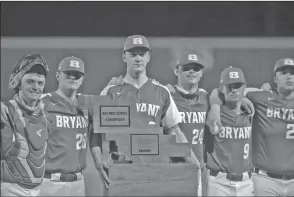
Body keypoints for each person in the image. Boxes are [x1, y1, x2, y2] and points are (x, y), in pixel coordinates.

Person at [2, 56, 110, 196]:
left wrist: (98, 161)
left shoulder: (87, 104)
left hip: (78, 182)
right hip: (50, 182)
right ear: (58, 75)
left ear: (83, 78)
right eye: (68, 73)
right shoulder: (42, 102)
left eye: (77, 74)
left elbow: (97, 126)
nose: (73, 77)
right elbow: (17, 106)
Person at [91, 35, 198, 168]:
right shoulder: (110, 92)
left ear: (148, 57)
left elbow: (174, 131)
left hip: (154, 167)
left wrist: (194, 162)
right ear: (124, 57)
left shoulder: (161, 91)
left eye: (142, 54)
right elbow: (97, 132)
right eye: (133, 54)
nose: (138, 58)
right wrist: (99, 162)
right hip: (122, 167)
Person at [208, 58, 294, 196]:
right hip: (266, 180)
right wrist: (216, 107)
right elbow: (220, 92)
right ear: (275, 78)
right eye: (283, 73)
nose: (289, 76)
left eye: (292, 73)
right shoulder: (261, 97)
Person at [1, 53, 49, 196]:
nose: (36, 87)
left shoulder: (44, 112)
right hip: (10, 189)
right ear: (17, 83)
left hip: (38, 190)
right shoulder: (5, 111)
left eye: (40, 83)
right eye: (30, 81)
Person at [205, 66, 254, 196]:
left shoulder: (251, 110)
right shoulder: (212, 109)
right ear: (222, 88)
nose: (234, 90)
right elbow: (212, 92)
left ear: (245, 87)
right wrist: (215, 106)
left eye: (238, 86)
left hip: (247, 182)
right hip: (219, 183)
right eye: (229, 86)